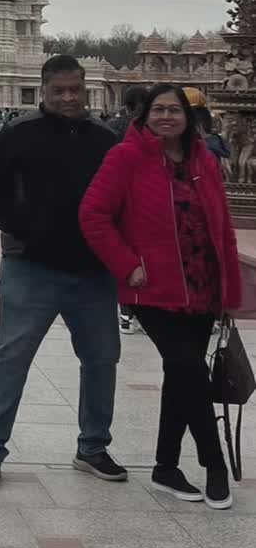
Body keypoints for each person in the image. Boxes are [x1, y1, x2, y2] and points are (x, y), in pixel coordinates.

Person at [80, 82, 241, 509]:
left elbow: (221, 226)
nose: (166, 117)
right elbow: (93, 215)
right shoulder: (126, 157)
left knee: (182, 373)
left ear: (188, 118)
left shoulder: (202, 159)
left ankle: (166, 466)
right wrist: (126, 264)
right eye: (158, 109)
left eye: (175, 110)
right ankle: (214, 465)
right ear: (145, 115)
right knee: (188, 367)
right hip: (150, 287)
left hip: (201, 285)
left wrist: (229, 292)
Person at [0, 54, 126, 489]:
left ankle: (93, 447)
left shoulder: (104, 138)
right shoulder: (20, 133)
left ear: (84, 89)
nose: (68, 97)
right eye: (59, 90)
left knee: (101, 359)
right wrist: (21, 227)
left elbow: (123, 195)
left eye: (75, 89)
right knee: (11, 358)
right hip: (30, 265)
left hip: (92, 271)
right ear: (44, 91)